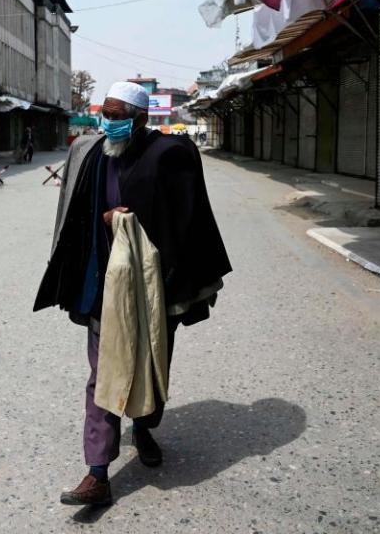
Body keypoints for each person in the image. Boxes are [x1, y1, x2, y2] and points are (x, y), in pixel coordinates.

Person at [33, 81, 232, 506]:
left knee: (151, 363)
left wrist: (132, 223)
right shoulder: (91, 153)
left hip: (156, 285)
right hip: (103, 283)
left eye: (119, 116)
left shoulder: (170, 155)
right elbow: (73, 214)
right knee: (102, 372)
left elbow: (186, 221)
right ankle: (98, 472)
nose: (110, 123)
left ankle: (143, 428)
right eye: (106, 114)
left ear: (141, 119)